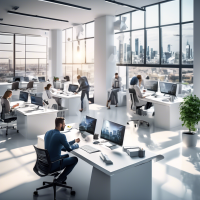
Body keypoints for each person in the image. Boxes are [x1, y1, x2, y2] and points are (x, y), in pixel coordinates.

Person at [44, 117, 80, 184]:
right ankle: (60, 178)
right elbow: (68, 149)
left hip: (46, 163)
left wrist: (74, 141)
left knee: (67, 156)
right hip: (53, 164)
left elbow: (63, 147)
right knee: (75, 159)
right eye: (64, 124)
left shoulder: (48, 132)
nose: (65, 125)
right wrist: (76, 145)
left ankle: (60, 177)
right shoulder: (61, 136)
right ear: (60, 125)